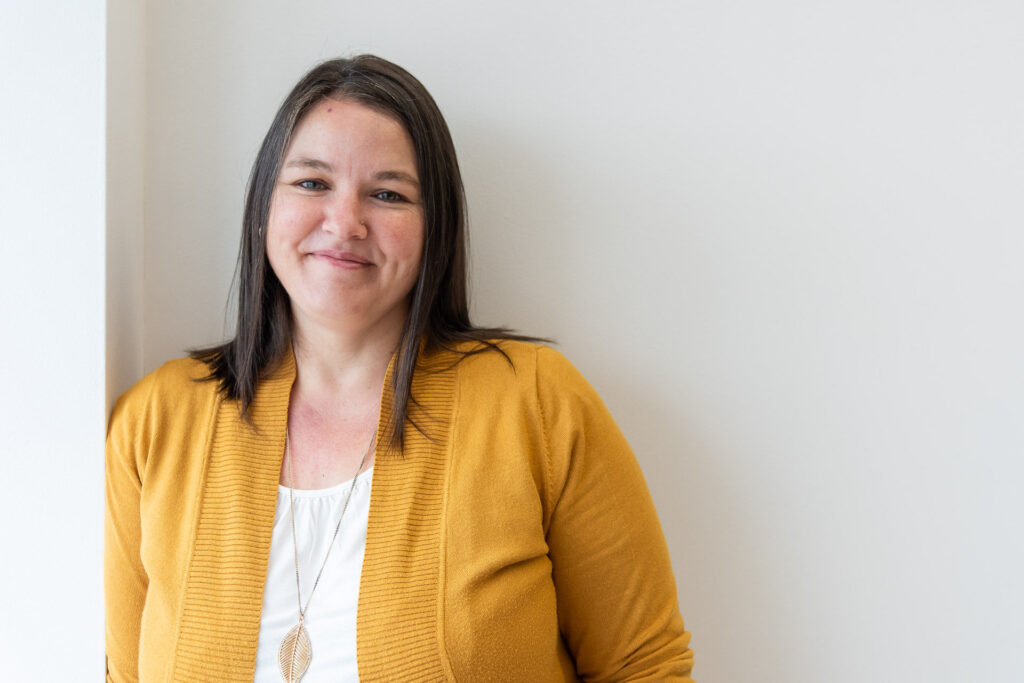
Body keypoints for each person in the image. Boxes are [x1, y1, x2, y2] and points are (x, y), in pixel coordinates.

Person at [105, 54, 695, 682]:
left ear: (434, 229)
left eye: (388, 194)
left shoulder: (537, 404)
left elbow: (644, 667)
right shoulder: (155, 422)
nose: (345, 223)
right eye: (311, 183)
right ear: (262, 208)